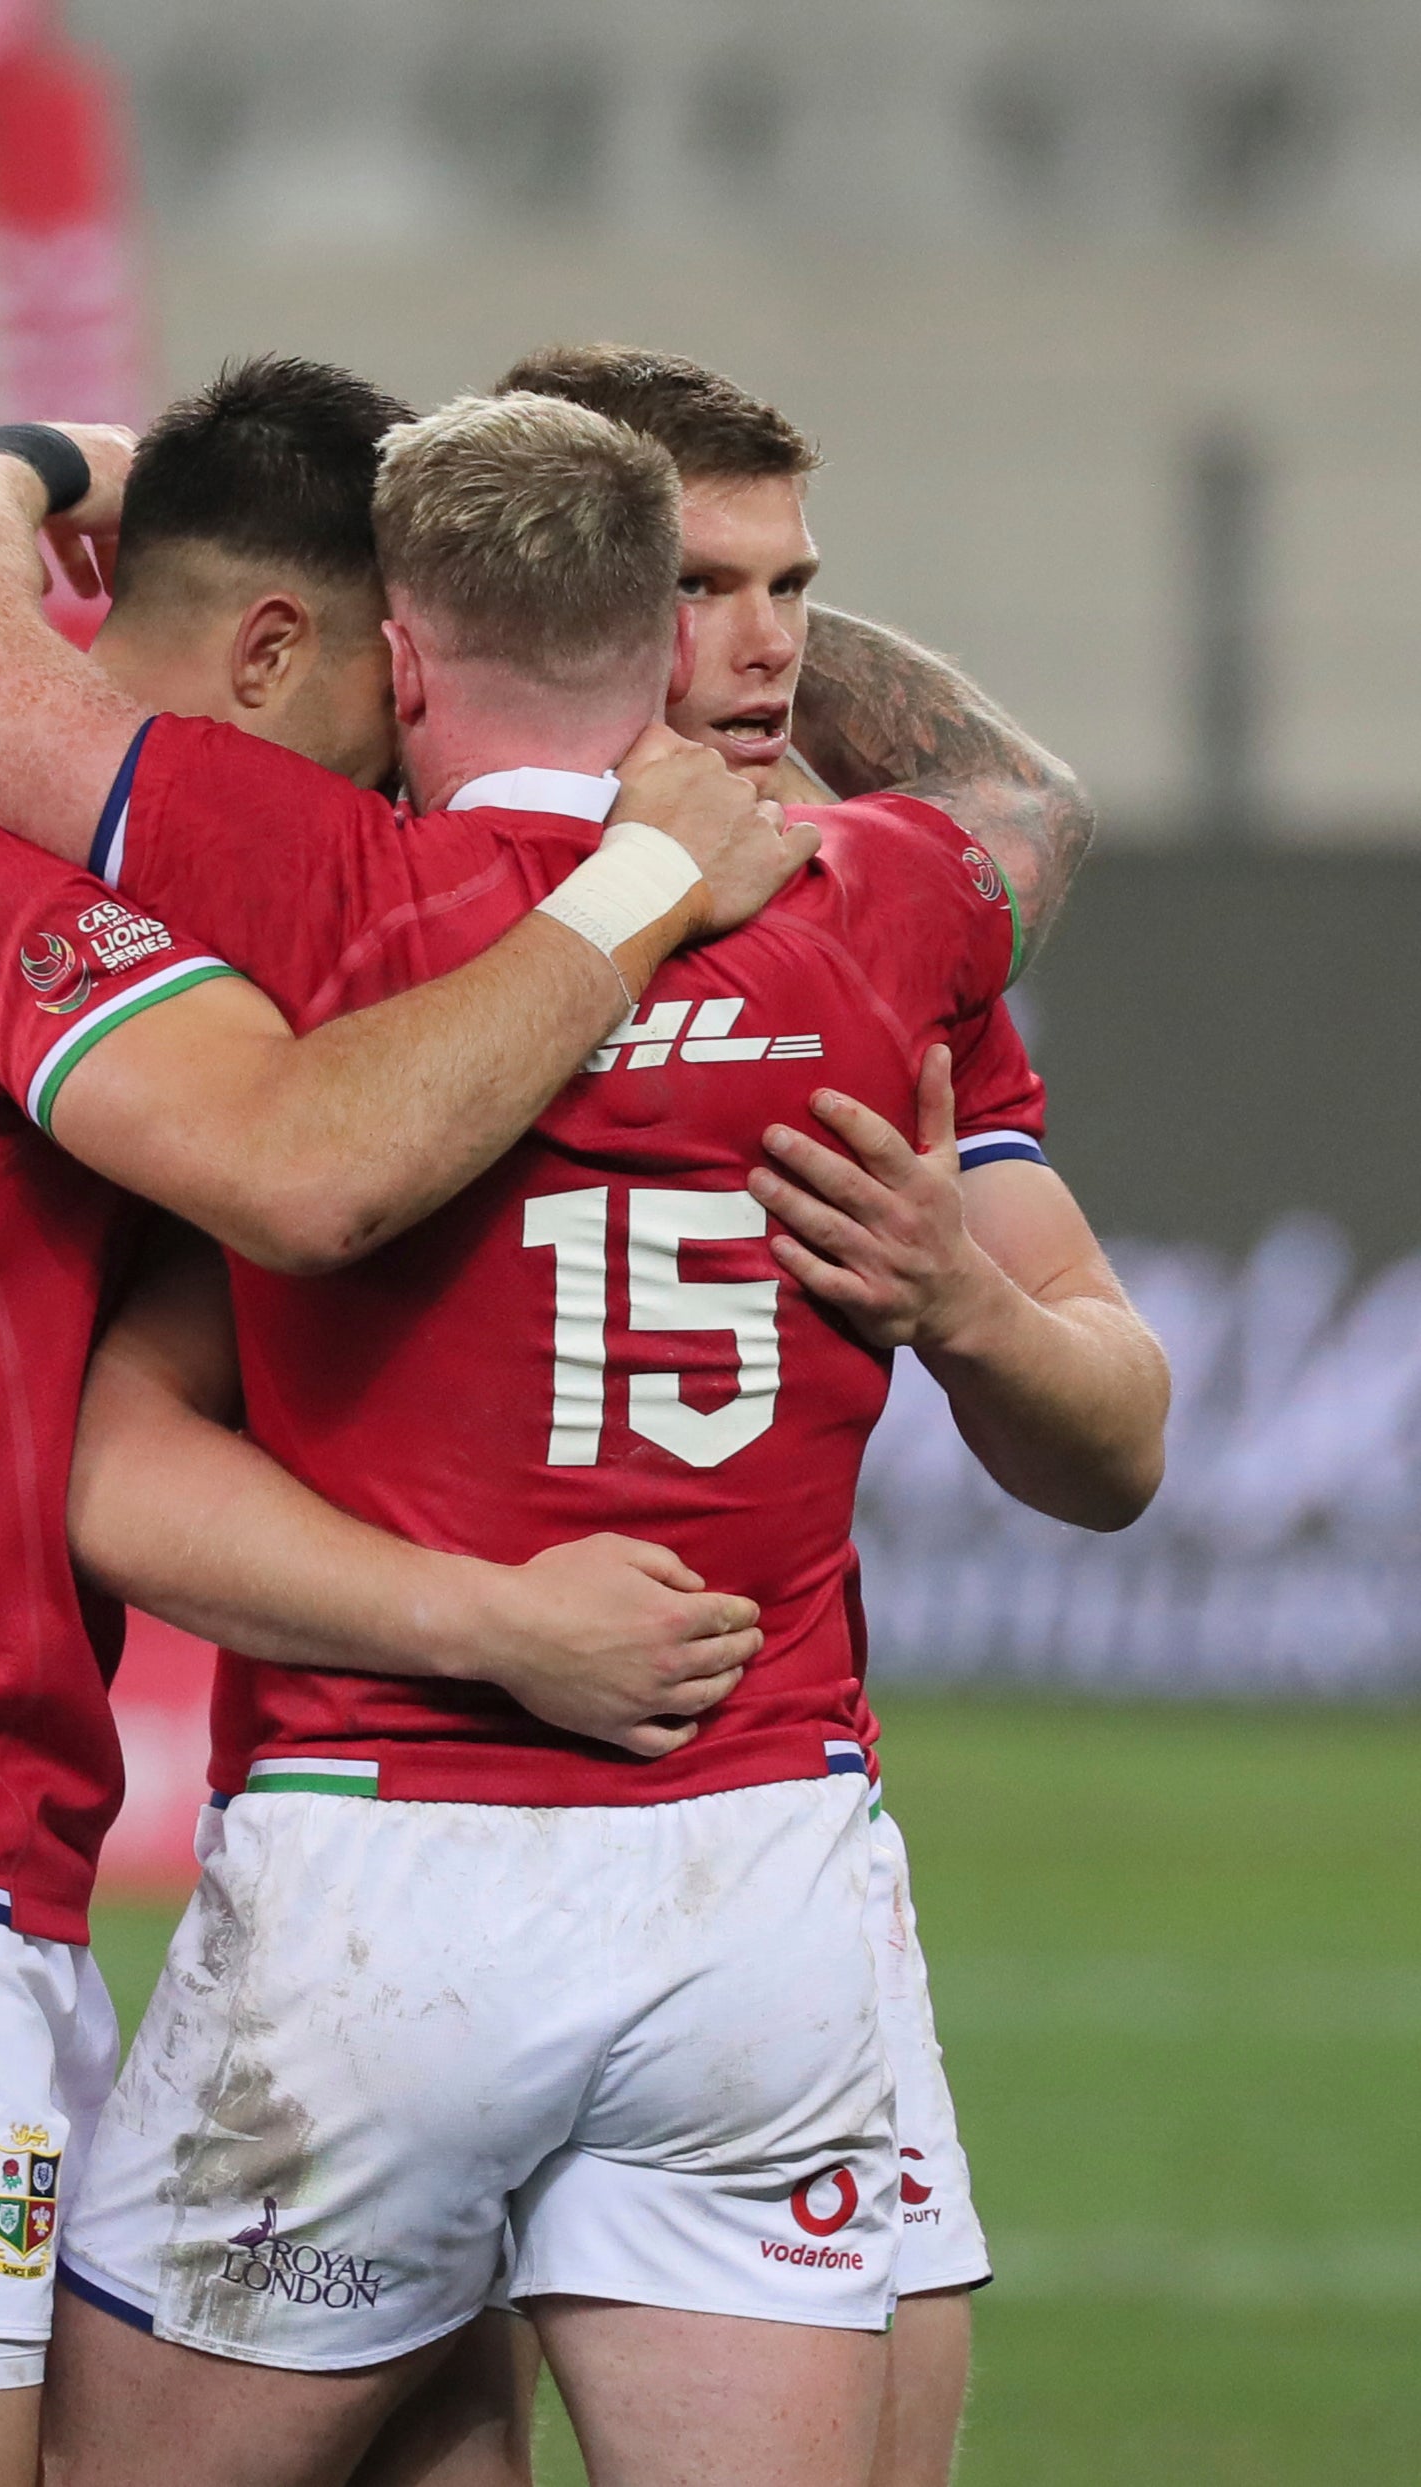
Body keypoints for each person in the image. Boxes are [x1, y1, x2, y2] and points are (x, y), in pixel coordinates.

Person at [0, 389, 1168, 2487]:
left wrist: (43, 462)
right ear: (659, 644)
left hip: (391, 1863)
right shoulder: (887, 901)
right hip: (759, 1859)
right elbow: (1023, 799)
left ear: (408, 659)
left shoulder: (310, 882)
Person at [0, 357, 811, 2487]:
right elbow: (307, 1169)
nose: (391, 791)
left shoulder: (70, 873)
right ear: (267, 650)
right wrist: (628, 898)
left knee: (419, 2415)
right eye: (383, 706)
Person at [477, 339, 1112, 2487]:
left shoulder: (878, 926)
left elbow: (1111, 1430)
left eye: (792, 588)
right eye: (695, 585)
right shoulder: (368, 882)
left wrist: (965, 1304)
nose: (763, 649)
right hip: (403, 1851)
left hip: (769, 1866)